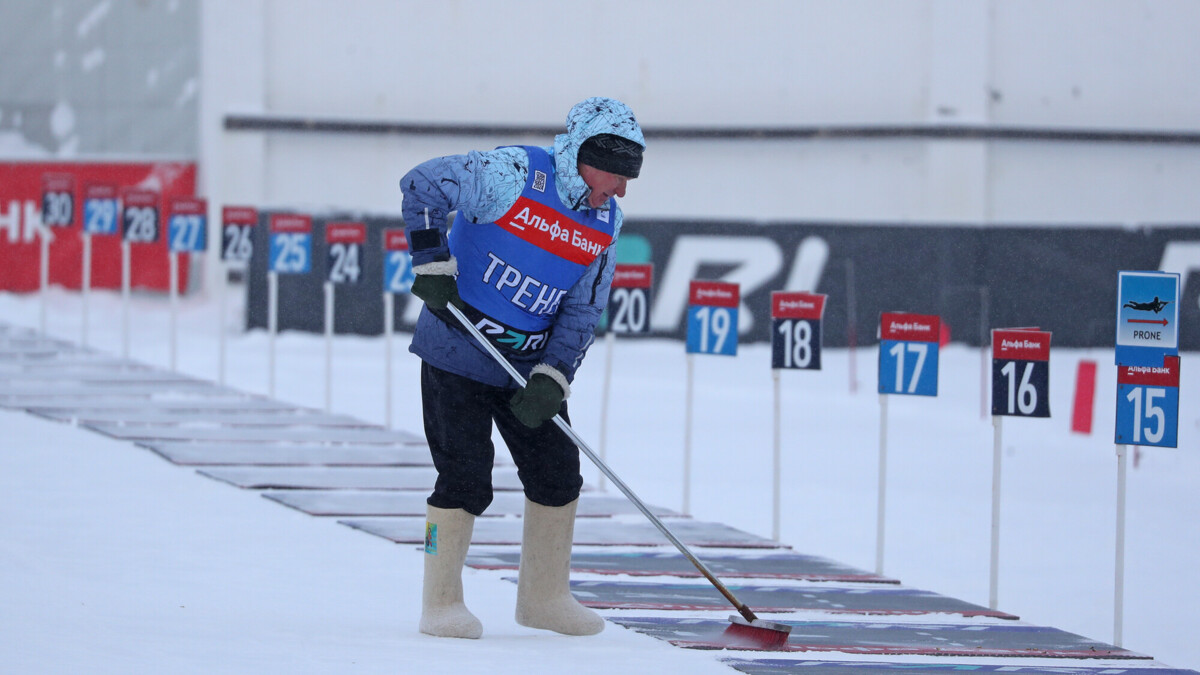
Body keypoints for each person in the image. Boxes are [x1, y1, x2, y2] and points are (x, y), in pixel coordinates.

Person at [399, 97, 645, 639]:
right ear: (584, 154)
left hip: (526, 366)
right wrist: (431, 260)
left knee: (558, 473)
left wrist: (555, 376)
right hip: (457, 349)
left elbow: (583, 309)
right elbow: (421, 185)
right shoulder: (511, 173)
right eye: (617, 173)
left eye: (631, 176)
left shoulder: (606, 222)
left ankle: (544, 598)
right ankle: (439, 603)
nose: (623, 188)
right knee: (465, 476)